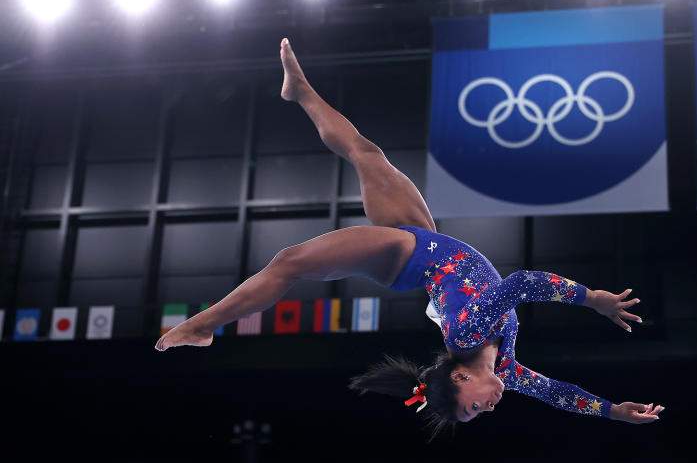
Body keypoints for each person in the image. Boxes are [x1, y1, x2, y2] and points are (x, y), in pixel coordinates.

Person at [156, 38, 665, 436]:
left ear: (461, 380)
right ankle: (302, 93)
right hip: (425, 241)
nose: (486, 410)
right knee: (367, 154)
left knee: (290, 261)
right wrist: (613, 412)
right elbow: (556, 392)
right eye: (478, 416)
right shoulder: (504, 366)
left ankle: (202, 325)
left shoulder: (468, 336)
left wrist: (591, 299)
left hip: (406, 257)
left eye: (470, 411)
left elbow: (524, 281)